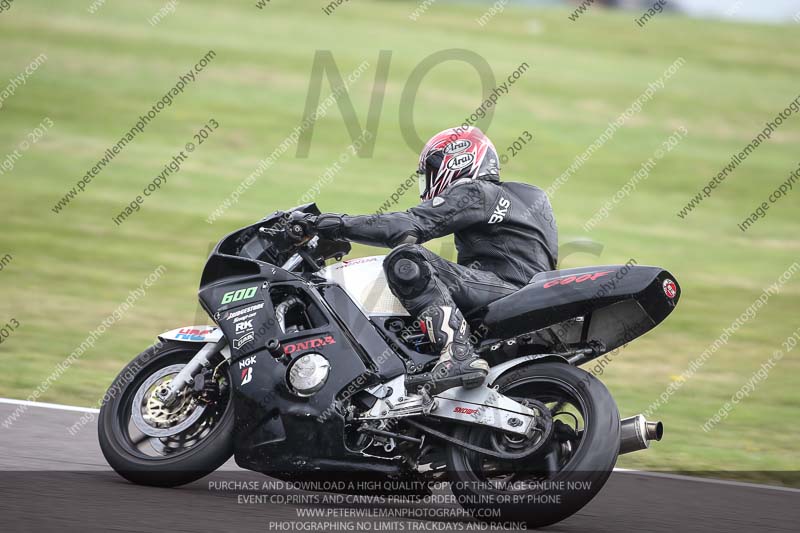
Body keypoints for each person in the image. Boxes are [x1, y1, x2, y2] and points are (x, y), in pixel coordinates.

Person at [298, 126, 558, 393]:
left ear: (457, 161)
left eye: (429, 174)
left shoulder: (477, 192)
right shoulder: (528, 195)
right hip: (528, 295)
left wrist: (332, 224)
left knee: (406, 259)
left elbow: (406, 227)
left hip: (506, 290)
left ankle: (457, 353)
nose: (427, 187)